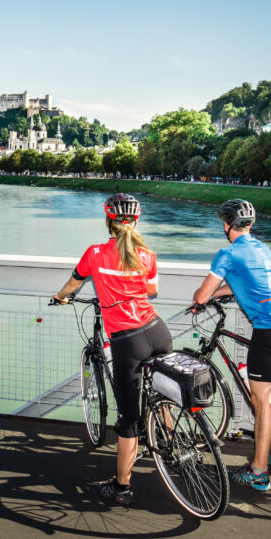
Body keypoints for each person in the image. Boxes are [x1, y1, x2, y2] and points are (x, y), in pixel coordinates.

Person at [52, 193, 172, 506]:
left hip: (127, 340)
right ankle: (172, 441)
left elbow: (74, 284)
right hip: (158, 330)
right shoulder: (147, 254)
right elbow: (152, 290)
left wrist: (59, 297)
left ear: (109, 221)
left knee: (128, 420)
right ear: (136, 221)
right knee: (163, 391)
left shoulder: (94, 253)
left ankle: (122, 487)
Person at [190, 199, 271, 492]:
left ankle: (258, 471)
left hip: (268, 331)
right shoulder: (262, 248)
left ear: (226, 225)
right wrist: (222, 292)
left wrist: (202, 297)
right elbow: (248, 284)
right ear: (250, 225)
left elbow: (202, 296)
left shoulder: (226, 254)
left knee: (261, 401)